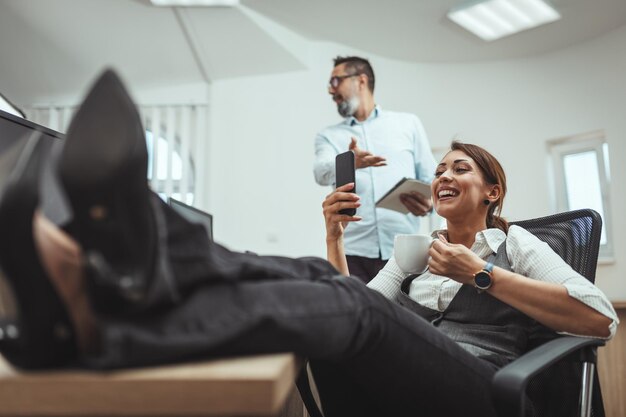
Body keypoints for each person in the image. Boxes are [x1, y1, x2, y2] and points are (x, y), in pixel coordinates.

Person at [0, 70, 617, 417]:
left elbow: (600, 321)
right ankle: (146, 258)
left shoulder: (521, 244)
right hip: (415, 380)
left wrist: (480, 274)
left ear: (493, 191)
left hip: (485, 393)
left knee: (357, 312)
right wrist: (331, 236)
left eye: (461, 169)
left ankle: (116, 314)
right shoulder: (418, 249)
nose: (444, 176)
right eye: (442, 169)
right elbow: (347, 291)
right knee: (318, 276)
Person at [314, 56, 437, 282]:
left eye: (335, 81)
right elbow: (320, 172)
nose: (331, 91)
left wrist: (429, 206)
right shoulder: (329, 136)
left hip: (405, 251)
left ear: (361, 80)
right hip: (352, 253)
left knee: (405, 316)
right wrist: (351, 161)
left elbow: (431, 180)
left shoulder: (408, 124)